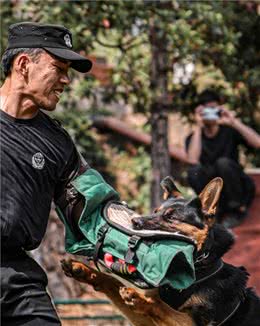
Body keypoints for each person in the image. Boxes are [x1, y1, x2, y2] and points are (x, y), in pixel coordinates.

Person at [0, 22, 93, 325]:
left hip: (16, 277)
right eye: (59, 68)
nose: (66, 80)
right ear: (24, 64)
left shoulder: (57, 143)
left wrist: (146, 236)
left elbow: (93, 206)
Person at [185, 89, 260, 227]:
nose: (210, 114)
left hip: (238, 189)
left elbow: (257, 143)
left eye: (214, 109)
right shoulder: (194, 137)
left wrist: (233, 122)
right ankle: (213, 211)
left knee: (223, 163)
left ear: (219, 110)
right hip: (216, 193)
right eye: (206, 111)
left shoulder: (229, 130)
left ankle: (237, 210)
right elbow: (192, 161)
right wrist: (198, 126)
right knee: (193, 171)